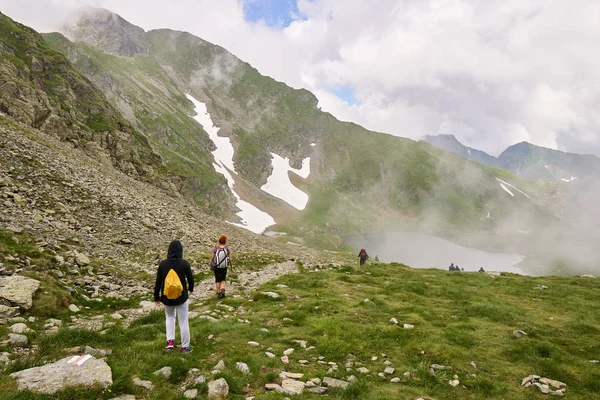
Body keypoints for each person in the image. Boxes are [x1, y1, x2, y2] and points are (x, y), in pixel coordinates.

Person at [154, 240, 194, 353]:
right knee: (183, 321)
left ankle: (170, 342)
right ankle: (185, 347)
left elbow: (158, 282)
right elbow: (190, 279)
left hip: (167, 298)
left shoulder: (163, 264)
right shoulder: (184, 263)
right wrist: (191, 288)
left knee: (170, 317)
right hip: (181, 297)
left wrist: (156, 297)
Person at [211, 234, 232, 299]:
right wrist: (231, 266)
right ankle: (223, 290)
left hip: (217, 266)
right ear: (225, 242)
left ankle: (219, 293)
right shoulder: (227, 249)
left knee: (217, 280)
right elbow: (230, 259)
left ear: (219, 241)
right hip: (224, 266)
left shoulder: (215, 249)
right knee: (223, 279)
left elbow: (212, 258)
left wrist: (211, 263)